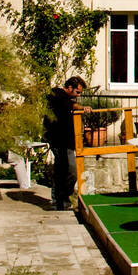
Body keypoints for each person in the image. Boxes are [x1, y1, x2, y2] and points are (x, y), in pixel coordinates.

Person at [43, 76, 86, 210]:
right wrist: (82, 107)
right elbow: (67, 104)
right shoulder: (56, 94)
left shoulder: (66, 99)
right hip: (57, 140)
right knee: (62, 169)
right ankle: (58, 200)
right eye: (77, 92)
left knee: (71, 170)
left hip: (67, 141)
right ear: (69, 87)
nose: (78, 96)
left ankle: (64, 198)